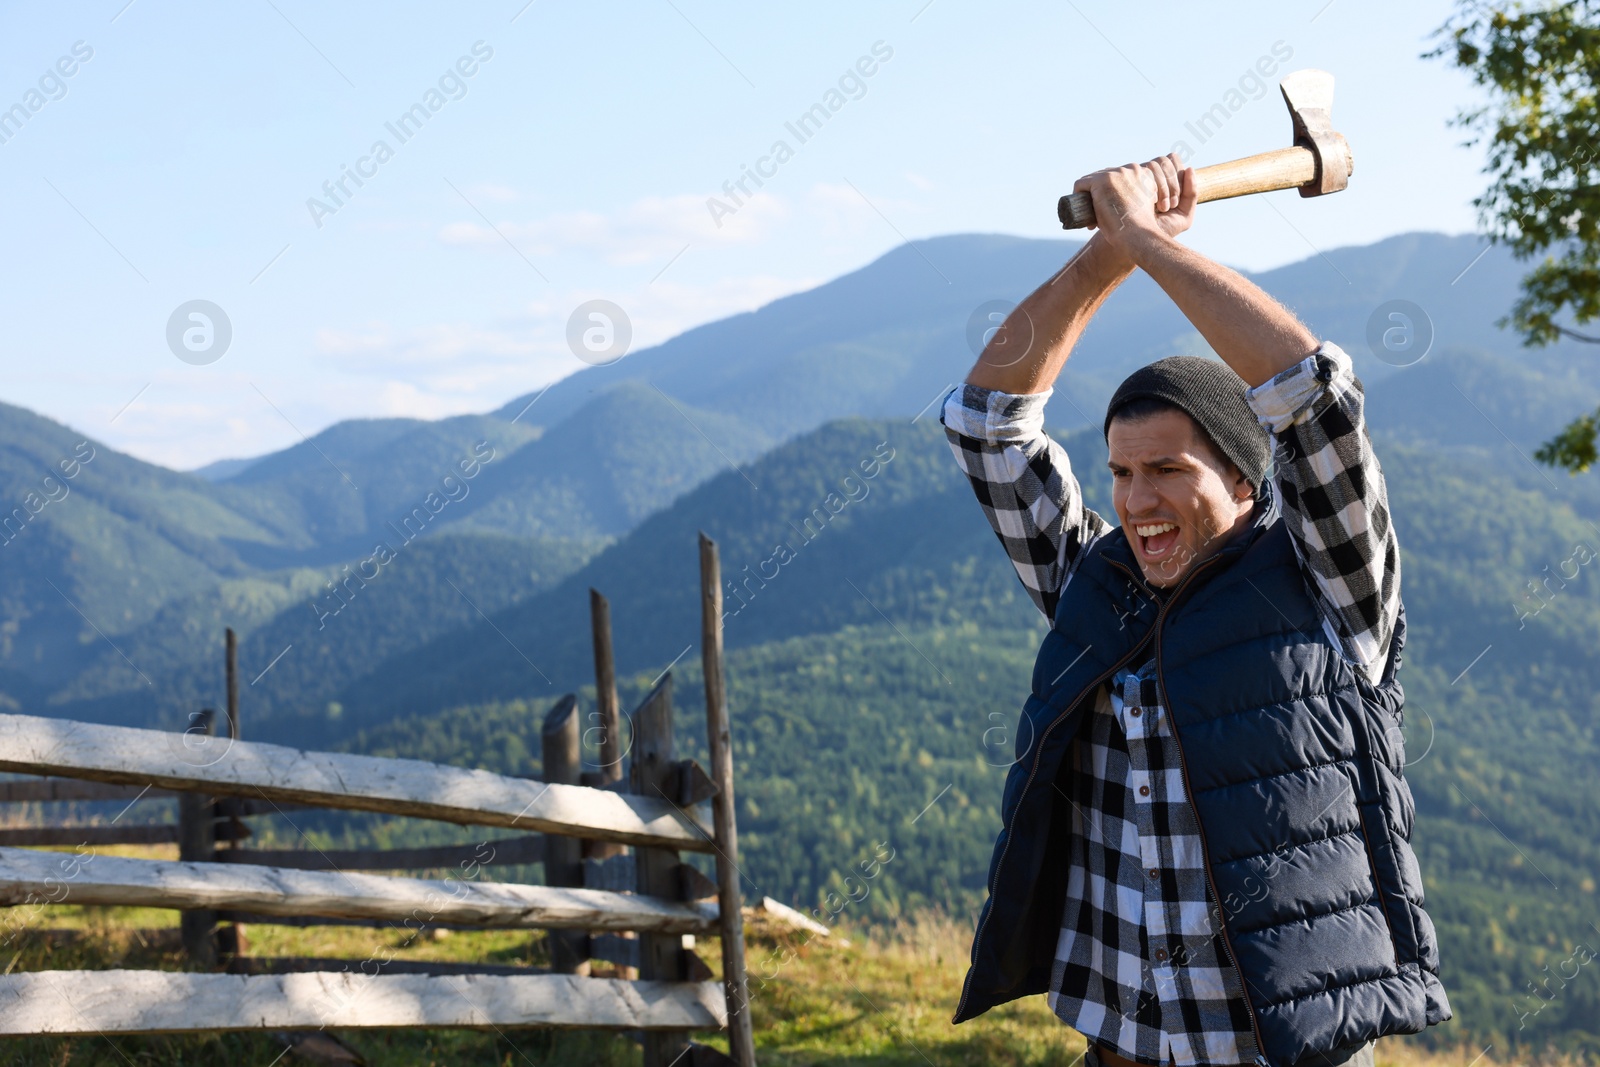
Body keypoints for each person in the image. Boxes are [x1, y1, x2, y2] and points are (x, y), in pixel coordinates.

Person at [941, 154, 1450, 1067]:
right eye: (1123, 472)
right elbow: (987, 422)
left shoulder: (1331, 588)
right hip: (1119, 1049)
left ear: (1247, 479)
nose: (1138, 502)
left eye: (1170, 469)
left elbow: (1313, 396)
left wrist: (1146, 238)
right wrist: (1107, 253)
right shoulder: (1096, 583)